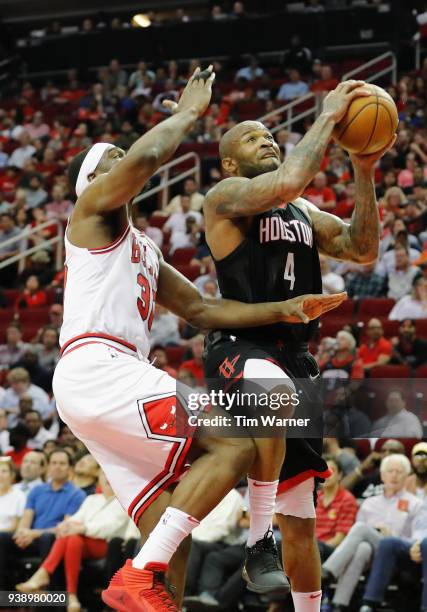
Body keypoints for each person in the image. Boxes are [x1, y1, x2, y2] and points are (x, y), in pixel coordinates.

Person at [52, 66, 340, 611]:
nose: (128, 160)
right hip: (100, 366)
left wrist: (284, 307)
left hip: (100, 383)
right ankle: (211, 555)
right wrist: (185, 114)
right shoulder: (88, 214)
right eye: (113, 160)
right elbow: (144, 159)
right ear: (92, 182)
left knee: (167, 523)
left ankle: (149, 584)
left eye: (123, 156)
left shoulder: (144, 247)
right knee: (232, 440)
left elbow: (204, 309)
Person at [202, 79, 394, 610]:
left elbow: (362, 248)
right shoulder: (224, 200)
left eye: (268, 133)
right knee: (277, 396)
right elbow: (286, 181)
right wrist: (330, 118)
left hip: (295, 357)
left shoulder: (303, 213)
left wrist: (364, 169)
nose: (265, 138)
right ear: (230, 165)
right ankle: (254, 544)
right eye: (250, 137)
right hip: (240, 345)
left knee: (302, 521)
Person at [16, 471, 133, 612]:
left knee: (71, 537)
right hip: (81, 541)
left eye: (111, 474)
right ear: (99, 477)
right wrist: (65, 526)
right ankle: (71, 596)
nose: (107, 478)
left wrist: (82, 529)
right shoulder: (92, 499)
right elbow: (76, 518)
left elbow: (111, 527)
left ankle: (45, 574)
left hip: (106, 544)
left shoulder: (124, 501)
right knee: (71, 539)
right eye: (104, 474)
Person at [322, 454, 422, 612]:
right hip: (369, 555)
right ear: (382, 475)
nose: (394, 475)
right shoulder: (369, 503)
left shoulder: (417, 504)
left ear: (407, 476)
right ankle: (339, 605)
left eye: (399, 471)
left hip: (398, 554)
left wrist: (392, 537)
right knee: (362, 548)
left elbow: (418, 541)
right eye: (390, 471)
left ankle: (327, 572)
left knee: (362, 528)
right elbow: (354, 540)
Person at [0, 449, 85, 589]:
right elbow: (26, 519)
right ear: (48, 467)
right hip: (30, 538)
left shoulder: (77, 494)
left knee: (47, 537)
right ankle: (4, 592)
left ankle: (49, 595)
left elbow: (65, 526)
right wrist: (22, 532)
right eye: (54, 463)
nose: (57, 466)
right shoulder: (37, 490)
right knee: (2, 537)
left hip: (53, 539)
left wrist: (33, 533)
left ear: (70, 468)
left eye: (62, 463)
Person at [316, 456, 358, 562]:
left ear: (340, 475)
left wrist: (311, 549)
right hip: (311, 546)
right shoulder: (313, 497)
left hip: (331, 550)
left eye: (331, 470)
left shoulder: (347, 500)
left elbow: (339, 538)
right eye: (322, 470)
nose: (326, 474)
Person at [0, 458, 26, 532]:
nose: (0, 475)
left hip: (5, 537)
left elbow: (15, 527)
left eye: (4, 471)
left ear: (12, 475)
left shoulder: (19, 496)